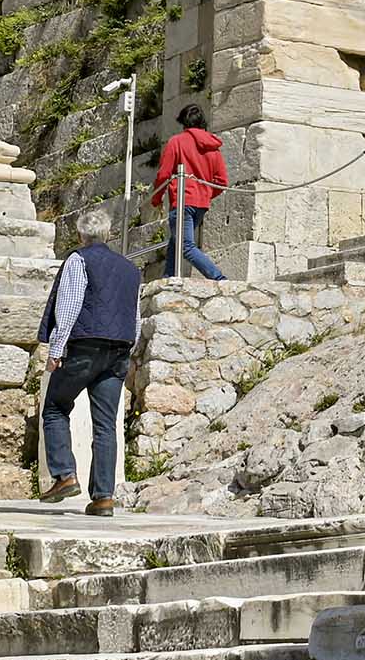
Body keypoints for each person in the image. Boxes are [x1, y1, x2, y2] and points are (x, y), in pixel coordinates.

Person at [37, 208, 140, 516]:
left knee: (55, 407)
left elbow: (68, 306)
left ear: (81, 236)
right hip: (119, 349)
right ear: (108, 234)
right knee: (106, 424)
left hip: (85, 346)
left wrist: (55, 350)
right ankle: (104, 498)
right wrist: (128, 349)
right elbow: (135, 316)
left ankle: (65, 475)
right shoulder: (130, 269)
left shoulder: (78, 260)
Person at [150, 103, 229, 280]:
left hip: (182, 201)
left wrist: (156, 199)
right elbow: (222, 181)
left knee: (185, 245)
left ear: (183, 122)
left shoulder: (176, 142)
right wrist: (206, 194)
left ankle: (218, 278)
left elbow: (164, 174)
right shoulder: (213, 147)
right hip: (201, 204)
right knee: (176, 240)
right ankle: (169, 277)